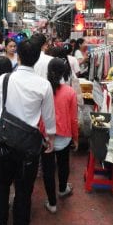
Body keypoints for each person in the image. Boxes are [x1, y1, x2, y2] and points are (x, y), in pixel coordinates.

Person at [0, 39, 56, 225]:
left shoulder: (4, 79)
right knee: (24, 191)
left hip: (3, 143)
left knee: (1, 189)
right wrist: (50, 139)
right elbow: (49, 117)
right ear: (37, 58)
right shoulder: (44, 85)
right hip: (29, 147)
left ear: (17, 55)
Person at [41, 58, 79, 214]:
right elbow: (73, 118)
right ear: (64, 73)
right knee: (63, 163)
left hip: (45, 136)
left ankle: (52, 203)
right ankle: (63, 189)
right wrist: (76, 138)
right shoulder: (70, 92)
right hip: (64, 136)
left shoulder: (42, 89)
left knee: (48, 170)